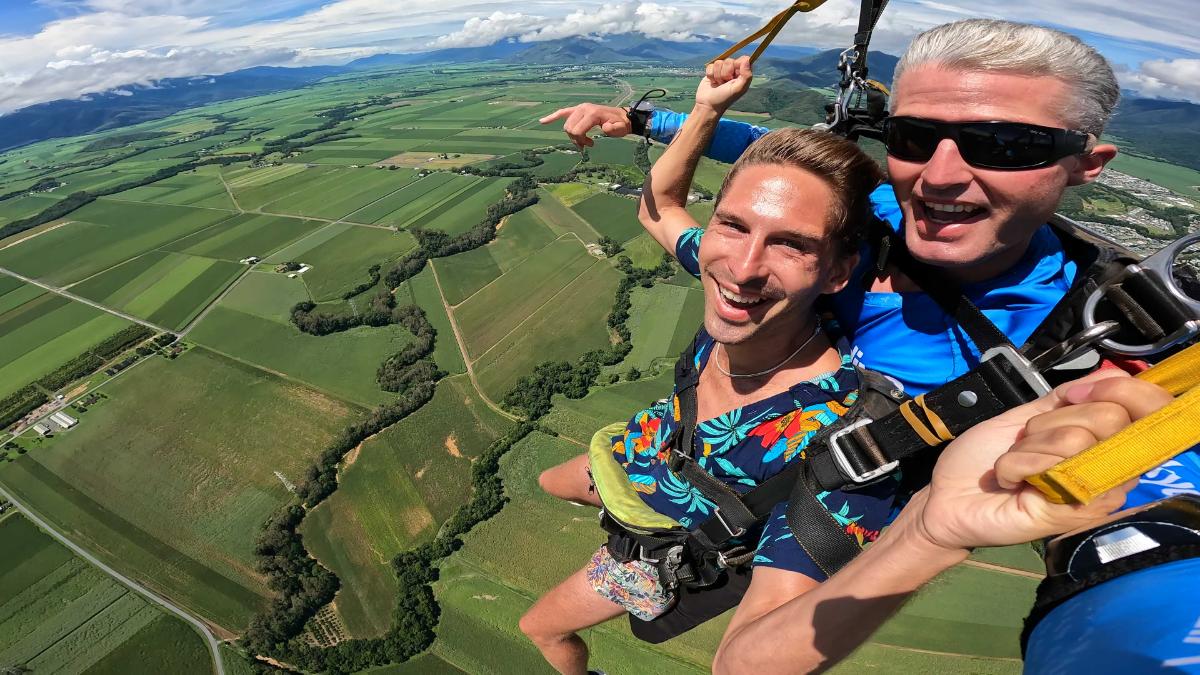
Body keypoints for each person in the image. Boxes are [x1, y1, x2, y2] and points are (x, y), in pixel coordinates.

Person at [539, 17, 1200, 519]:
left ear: (1088, 166)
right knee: (560, 482)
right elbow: (792, 159)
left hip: (792, 506)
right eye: (913, 138)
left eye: (1002, 146)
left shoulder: (1092, 334)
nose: (940, 176)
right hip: (704, 435)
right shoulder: (877, 209)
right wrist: (644, 119)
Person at [520, 67, 894, 675]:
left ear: (837, 272)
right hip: (658, 446)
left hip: (672, 540)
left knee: (539, 629)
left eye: (791, 244)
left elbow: (747, 661)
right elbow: (659, 206)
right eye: (734, 224)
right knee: (548, 482)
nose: (743, 268)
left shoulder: (840, 432)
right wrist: (706, 111)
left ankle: (634, 587)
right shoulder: (734, 281)